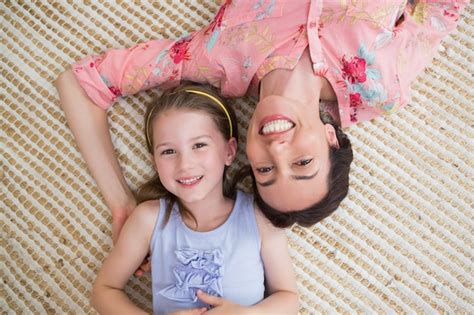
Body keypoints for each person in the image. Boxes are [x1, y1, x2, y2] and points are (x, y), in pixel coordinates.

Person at [56, 0, 467, 240]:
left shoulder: (215, 59)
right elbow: (441, 11)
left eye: (265, 169)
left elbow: (82, 83)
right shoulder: (380, 88)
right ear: (331, 139)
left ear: (243, 154)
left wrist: (120, 202)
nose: (276, 148)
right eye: (303, 164)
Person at [90, 83, 299, 314]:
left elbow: (288, 298)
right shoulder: (149, 219)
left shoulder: (259, 216)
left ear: (229, 152)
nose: (185, 164)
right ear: (155, 162)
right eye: (168, 151)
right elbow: (104, 290)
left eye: (199, 145)